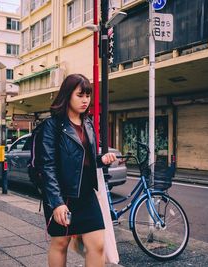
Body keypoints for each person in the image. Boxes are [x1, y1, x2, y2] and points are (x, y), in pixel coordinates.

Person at [40, 74, 117, 267]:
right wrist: (56, 202)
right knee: (60, 242)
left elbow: (86, 158)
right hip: (63, 195)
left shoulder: (88, 123)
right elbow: (47, 166)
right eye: (80, 95)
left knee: (98, 245)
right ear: (68, 95)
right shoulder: (52, 126)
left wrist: (102, 159)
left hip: (86, 193)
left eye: (88, 95)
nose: (85, 100)